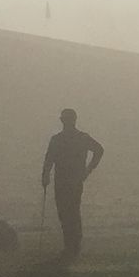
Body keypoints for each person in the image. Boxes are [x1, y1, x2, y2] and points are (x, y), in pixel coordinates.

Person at [39, 108, 104, 260]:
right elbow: (99, 150)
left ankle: (71, 246)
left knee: (67, 213)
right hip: (72, 180)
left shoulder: (58, 139)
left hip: (65, 181)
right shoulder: (79, 138)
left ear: (63, 120)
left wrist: (45, 176)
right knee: (71, 212)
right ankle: (73, 245)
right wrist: (88, 170)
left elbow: (49, 160)